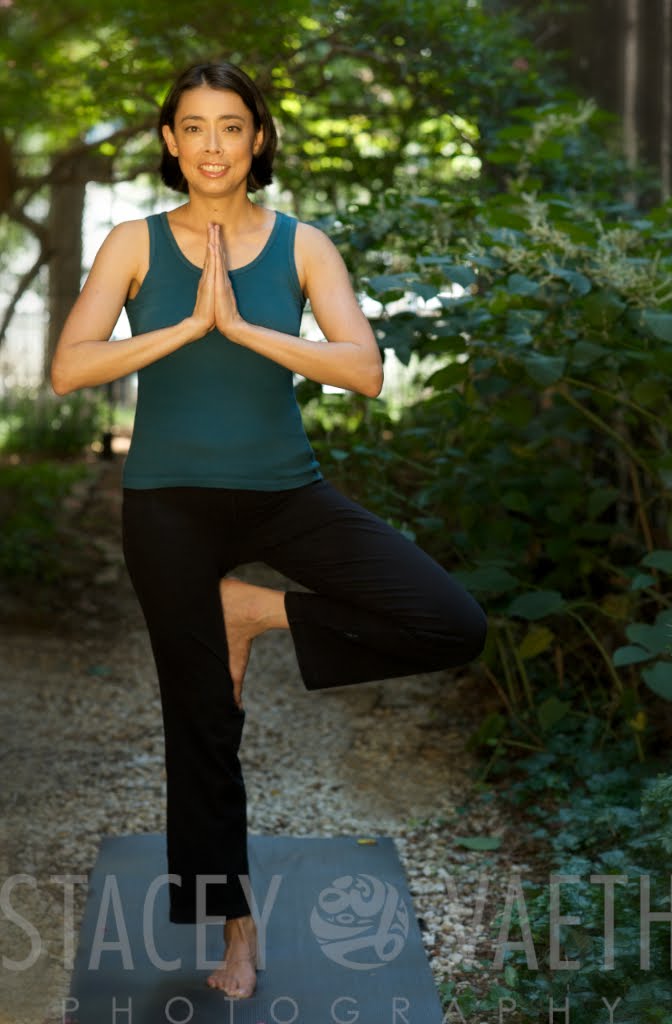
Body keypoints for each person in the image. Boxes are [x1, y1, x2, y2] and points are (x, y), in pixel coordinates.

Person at [50, 61, 487, 1001]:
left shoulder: (302, 246)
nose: (213, 146)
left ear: (258, 139)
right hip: (167, 502)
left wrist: (243, 328)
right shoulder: (133, 243)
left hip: (285, 492)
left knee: (451, 621)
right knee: (202, 723)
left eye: (231, 127)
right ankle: (236, 931)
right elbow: (69, 369)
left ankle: (255, 610)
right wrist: (186, 327)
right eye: (194, 127)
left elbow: (363, 369)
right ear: (170, 142)